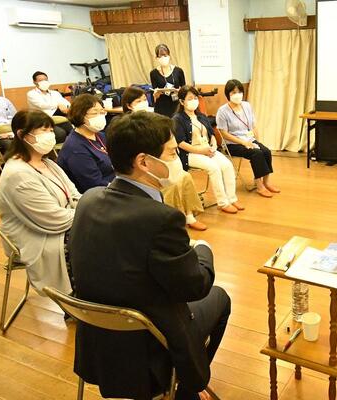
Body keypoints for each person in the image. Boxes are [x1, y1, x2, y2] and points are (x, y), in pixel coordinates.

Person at [69, 111, 230, 400]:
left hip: (96, 338)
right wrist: (203, 249)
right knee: (220, 297)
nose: (177, 160)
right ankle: (186, 387)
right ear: (143, 161)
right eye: (172, 153)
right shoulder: (160, 218)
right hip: (148, 339)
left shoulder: (89, 200)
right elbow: (195, 286)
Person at [0, 110, 80, 295]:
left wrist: (90, 209)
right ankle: (80, 297)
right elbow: (54, 219)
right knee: (92, 239)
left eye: (51, 130)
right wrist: (88, 213)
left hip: (55, 222)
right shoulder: (18, 174)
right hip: (35, 234)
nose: (50, 135)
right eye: (43, 130)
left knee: (102, 230)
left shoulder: (48, 163)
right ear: (22, 135)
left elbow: (74, 194)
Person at [124, 85, 207, 230]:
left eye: (144, 99)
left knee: (185, 177)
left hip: (161, 160)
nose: (143, 103)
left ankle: (189, 215)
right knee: (170, 184)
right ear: (129, 105)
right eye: (138, 101)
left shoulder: (153, 119)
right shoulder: (127, 126)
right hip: (146, 166)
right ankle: (176, 218)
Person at [174, 85, 243, 214]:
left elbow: (211, 135)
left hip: (208, 150)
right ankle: (222, 203)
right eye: (190, 98)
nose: (194, 101)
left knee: (227, 165)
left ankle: (232, 199)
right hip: (191, 153)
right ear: (182, 102)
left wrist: (213, 146)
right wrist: (202, 151)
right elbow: (181, 143)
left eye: (195, 98)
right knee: (214, 168)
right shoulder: (178, 119)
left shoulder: (201, 116)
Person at [216, 79, 279, 197]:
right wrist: (243, 142)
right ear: (228, 94)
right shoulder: (222, 111)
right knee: (257, 153)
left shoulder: (247, 106)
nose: (237, 95)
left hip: (249, 140)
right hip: (233, 144)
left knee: (266, 151)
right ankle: (259, 185)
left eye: (239, 92)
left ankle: (266, 182)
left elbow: (253, 125)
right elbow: (223, 133)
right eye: (233, 92)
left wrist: (257, 141)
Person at [57, 94, 114, 193]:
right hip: (98, 193)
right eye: (95, 113)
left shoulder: (100, 135)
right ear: (80, 115)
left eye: (102, 112)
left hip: (113, 183)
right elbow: (94, 184)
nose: (100, 116)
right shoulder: (75, 148)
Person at [27, 71, 72, 143]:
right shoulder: (31, 94)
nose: (44, 82)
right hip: (43, 121)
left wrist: (65, 107)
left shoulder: (55, 93)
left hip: (59, 117)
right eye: (40, 80)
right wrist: (58, 105)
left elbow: (66, 103)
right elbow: (42, 105)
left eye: (45, 80)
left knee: (72, 131)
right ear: (34, 82)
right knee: (61, 134)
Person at [150, 44, 186, 117]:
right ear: (156, 58)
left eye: (165, 55)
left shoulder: (178, 71)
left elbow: (184, 89)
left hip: (176, 104)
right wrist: (156, 94)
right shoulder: (153, 73)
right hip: (161, 106)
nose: (163, 58)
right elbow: (155, 93)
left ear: (169, 56)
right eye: (160, 56)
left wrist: (179, 91)